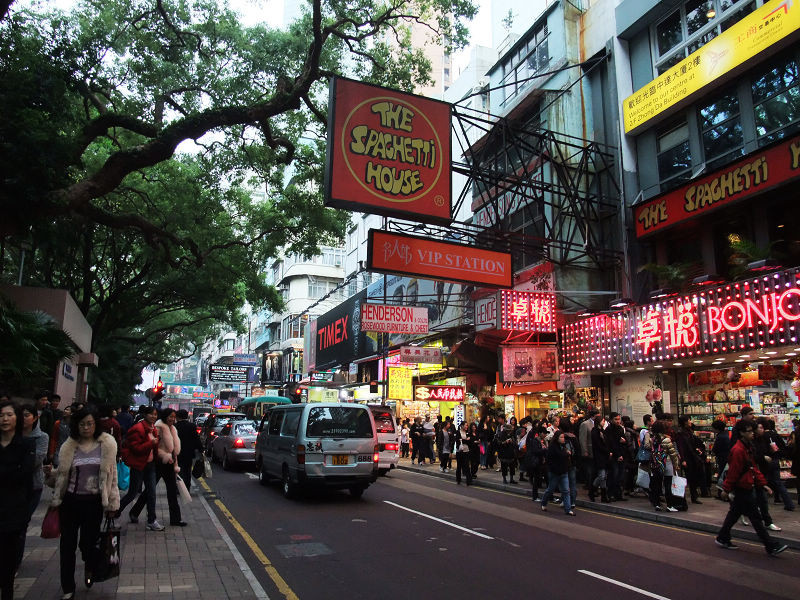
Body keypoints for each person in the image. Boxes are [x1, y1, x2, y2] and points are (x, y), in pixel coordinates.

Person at [51, 405, 120, 599]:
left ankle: (90, 567)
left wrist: (113, 504)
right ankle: (68, 587)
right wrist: (51, 475)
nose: (86, 428)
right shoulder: (70, 445)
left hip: (94, 503)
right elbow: (62, 473)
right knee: (67, 547)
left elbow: (111, 477)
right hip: (70, 502)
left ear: (96, 424)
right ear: (76, 425)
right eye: (82, 424)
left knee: (88, 545)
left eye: (90, 423)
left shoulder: (106, 444)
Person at [715, 419, 787, 556]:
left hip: (746, 485)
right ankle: (770, 545)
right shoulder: (738, 450)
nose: (752, 434)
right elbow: (734, 471)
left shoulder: (747, 447)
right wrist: (726, 488)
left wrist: (763, 483)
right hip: (742, 487)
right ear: (742, 433)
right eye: (749, 431)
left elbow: (752, 468)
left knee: (734, 514)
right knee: (755, 518)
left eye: (752, 431)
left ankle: (723, 537)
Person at [0, 400, 36, 600]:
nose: (5, 419)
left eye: (9, 415)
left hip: (14, 509)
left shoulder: (25, 444)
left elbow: (25, 476)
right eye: (1, 415)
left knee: (8, 558)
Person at [129, 408, 185, 526]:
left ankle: (175, 519)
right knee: (149, 491)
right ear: (165, 416)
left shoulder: (173, 428)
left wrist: (175, 463)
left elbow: (174, 450)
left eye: (174, 417)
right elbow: (154, 446)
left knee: (172, 492)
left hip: (170, 464)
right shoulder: (158, 427)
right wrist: (164, 456)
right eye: (170, 416)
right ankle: (134, 512)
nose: (172, 419)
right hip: (159, 463)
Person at [116, 405, 163, 531]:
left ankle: (151, 520)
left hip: (150, 465)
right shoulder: (138, 429)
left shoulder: (153, 429)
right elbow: (136, 449)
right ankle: (115, 513)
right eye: (151, 414)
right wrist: (151, 443)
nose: (154, 416)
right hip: (139, 465)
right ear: (145, 415)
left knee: (151, 493)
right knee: (132, 493)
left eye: (155, 414)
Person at [752, 419, 781, 532]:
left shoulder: (764, 439)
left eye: (763, 427)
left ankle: (766, 522)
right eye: (760, 428)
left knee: (760, 500)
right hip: (754, 474)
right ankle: (765, 524)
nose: (762, 430)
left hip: (762, 472)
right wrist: (762, 457)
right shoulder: (748, 443)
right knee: (757, 500)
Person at [760, 417, 794, 511]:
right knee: (777, 482)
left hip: (766, 461)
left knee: (763, 482)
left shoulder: (762, 437)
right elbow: (783, 447)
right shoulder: (775, 434)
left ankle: (762, 504)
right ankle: (787, 503)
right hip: (776, 460)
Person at [648, 420, 682, 512]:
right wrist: (676, 465)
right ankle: (669, 505)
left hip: (656, 464)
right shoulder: (666, 440)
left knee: (657, 485)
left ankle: (657, 504)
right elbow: (673, 454)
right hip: (667, 463)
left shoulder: (652, 439)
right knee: (668, 485)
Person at [540, 431, 575, 516]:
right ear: (557, 438)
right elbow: (554, 458)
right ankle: (543, 503)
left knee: (566, 491)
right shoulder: (552, 447)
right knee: (550, 490)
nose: (563, 439)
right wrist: (566, 454)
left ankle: (568, 509)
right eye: (561, 437)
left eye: (563, 437)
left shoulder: (564, 446)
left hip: (564, 472)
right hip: (555, 473)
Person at [675, 415, 705, 504]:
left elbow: (693, 443)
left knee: (694, 477)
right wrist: (683, 460)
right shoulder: (680, 433)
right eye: (688, 420)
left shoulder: (689, 432)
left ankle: (694, 495)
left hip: (693, 456)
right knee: (690, 477)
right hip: (687, 458)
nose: (690, 422)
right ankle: (692, 496)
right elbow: (681, 447)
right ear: (684, 422)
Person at [174, 409, 203, 493]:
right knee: (187, 471)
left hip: (177, 452)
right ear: (187, 416)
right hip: (189, 453)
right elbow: (196, 439)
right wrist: (201, 449)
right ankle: (187, 488)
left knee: (178, 471)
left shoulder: (175, 426)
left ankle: (178, 489)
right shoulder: (192, 426)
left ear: (177, 417)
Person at [604, 413, 628, 501]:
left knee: (620, 477)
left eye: (619, 419)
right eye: (616, 419)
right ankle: (610, 494)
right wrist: (618, 455)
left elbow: (624, 441)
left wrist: (624, 442)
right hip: (614, 456)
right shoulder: (608, 430)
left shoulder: (620, 429)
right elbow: (611, 444)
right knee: (613, 475)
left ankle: (618, 494)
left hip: (622, 455)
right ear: (611, 420)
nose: (618, 421)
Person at [590, 415, 610, 503]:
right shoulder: (595, 432)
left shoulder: (602, 431)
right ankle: (592, 490)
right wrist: (607, 451)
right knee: (601, 476)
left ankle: (603, 496)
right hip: (599, 456)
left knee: (604, 476)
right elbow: (598, 445)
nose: (604, 422)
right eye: (602, 421)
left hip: (604, 456)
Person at [493, 414, 518, 484]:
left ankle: (511, 478)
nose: (510, 432)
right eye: (509, 431)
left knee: (512, 467)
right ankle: (504, 479)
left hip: (511, 453)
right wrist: (505, 442)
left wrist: (513, 442)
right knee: (504, 467)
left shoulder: (512, 435)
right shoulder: (501, 435)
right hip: (503, 453)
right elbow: (498, 443)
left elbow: (515, 442)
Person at [711, 419, 731, 499]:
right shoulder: (725, 435)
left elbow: (715, 449)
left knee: (722, 475)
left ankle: (721, 493)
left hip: (722, 458)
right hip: (725, 457)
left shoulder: (720, 437)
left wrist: (714, 452)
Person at [578, 410, 596, 489]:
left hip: (596, 450)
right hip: (589, 450)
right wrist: (584, 450)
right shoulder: (585, 424)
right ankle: (589, 484)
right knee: (589, 469)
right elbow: (582, 438)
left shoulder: (600, 423)